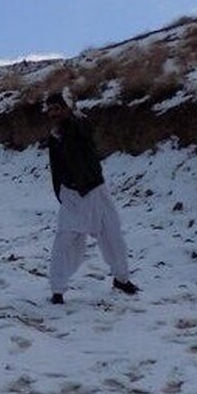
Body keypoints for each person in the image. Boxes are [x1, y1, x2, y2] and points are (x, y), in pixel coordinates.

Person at [44, 89, 138, 304]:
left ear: (67, 107)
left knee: (113, 234)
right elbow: (56, 167)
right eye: (50, 110)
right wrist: (60, 192)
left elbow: (84, 137)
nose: (53, 113)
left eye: (57, 108)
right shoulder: (55, 135)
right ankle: (57, 290)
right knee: (66, 240)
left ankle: (121, 279)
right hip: (72, 193)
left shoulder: (80, 124)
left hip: (96, 189)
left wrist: (71, 117)